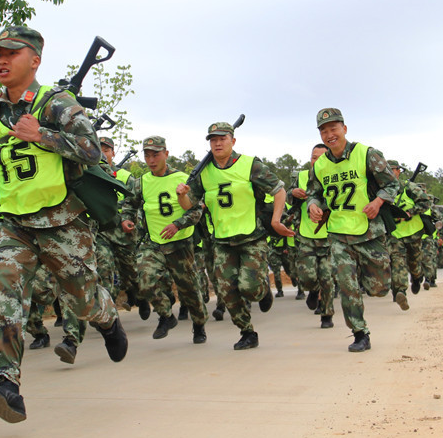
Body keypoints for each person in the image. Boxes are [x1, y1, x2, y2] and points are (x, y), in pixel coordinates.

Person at [0, 25, 128, 423]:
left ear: (34, 60)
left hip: (62, 220)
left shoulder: (56, 102)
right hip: (15, 224)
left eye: (10, 53)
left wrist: (43, 134)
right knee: (1, 295)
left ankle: (107, 317)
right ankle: (6, 385)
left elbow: (91, 150)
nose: (0, 60)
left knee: (81, 299)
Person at [180, 122, 293, 350]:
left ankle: (262, 291)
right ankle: (247, 332)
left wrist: (275, 221)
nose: (218, 143)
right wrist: (182, 195)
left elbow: (279, 190)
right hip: (222, 242)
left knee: (249, 287)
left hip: (252, 238)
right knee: (227, 291)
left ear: (233, 141)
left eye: (222, 138)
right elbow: (189, 204)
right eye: (213, 140)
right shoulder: (204, 173)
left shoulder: (250, 165)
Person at [304, 108, 400, 353]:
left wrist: (378, 202)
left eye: (333, 129)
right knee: (346, 285)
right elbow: (314, 192)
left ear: (344, 129)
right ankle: (360, 333)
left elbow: (392, 184)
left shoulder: (367, 154)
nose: (329, 134)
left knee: (378, 288)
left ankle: (372, 284)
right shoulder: (320, 165)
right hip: (338, 234)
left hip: (369, 232)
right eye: (324, 131)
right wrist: (313, 205)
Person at [123, 135, 208, 343]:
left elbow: (196, 211)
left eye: (156, 155)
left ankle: (199, 324)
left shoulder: (183, 179)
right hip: (154, 242)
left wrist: (177, 224)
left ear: (166, 154)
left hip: (180, 244)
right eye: (147, 155)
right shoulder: (141, 182)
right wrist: (126, 219)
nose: (151, 160)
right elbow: (129, 204)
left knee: (188, 289)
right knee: (144, 278)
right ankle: (166, 315)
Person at [97, 136, 146, 318]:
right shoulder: (92, 174)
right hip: (101, 233)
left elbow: (137, 204)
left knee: (131, 272)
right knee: (104, 270)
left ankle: (139, 295)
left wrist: (133, 221)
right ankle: (108, 315)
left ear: (113, 153)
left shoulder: (126, 177)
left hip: (124, 234)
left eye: (106, 150)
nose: (103, 153)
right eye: (99, 149)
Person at [289, 143, 336, 328]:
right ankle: (312, 289)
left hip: (330, 235)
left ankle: (326, 315)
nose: (316, 161)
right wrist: (293, 193)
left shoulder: (335, 175)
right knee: (307, 277)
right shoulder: (301, 176)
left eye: (320, 157)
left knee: (327, 277)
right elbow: (287, 196)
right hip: (306, 235)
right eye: (313, 157)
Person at [386, 160, 433, 308]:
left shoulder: (409, 187)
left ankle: (417, 276)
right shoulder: (380, 190)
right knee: (397, 262)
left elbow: (425, 203)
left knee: (414, 261)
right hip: (394, 234)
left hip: (413, 233)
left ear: (398, 171)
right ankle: (400, 291)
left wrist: (409, 213)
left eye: (391, 169)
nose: (388, 172)